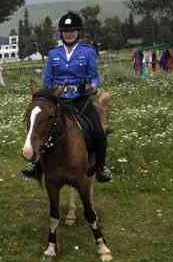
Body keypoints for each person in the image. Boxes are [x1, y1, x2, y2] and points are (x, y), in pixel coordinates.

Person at [22, 11, 112, 183]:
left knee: (99, 133)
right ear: (61, 33)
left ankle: (101, 168)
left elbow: (94, 76)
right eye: (65, 31)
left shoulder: (88, 52)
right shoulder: (54, 54)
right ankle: (36, 165)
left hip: (81, 100)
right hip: (59, 101)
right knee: (39, 127)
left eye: (72, 31)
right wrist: (50, 95)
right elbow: (47, 80)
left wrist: (93, 87)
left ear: (78, 33)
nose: (69, 34)